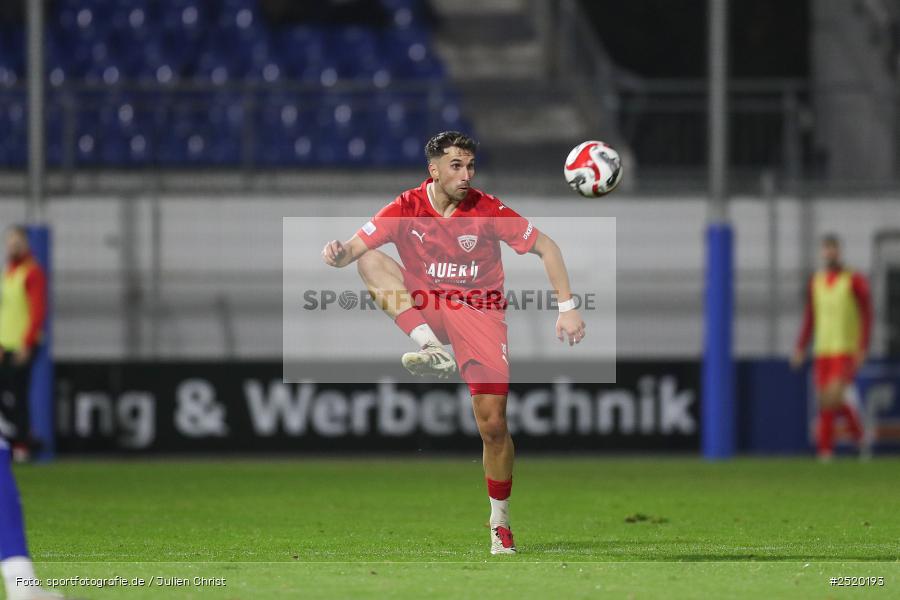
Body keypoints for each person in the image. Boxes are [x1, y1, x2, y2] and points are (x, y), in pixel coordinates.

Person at [321, 131, 585, 554]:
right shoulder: (405, 207)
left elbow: (547, 247)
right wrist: (338, 254)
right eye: (456, 166)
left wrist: (567, 306)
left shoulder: (488, 209)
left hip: (479, 312)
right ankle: (429, 346)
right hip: (428, 307)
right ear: (434, 169)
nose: (466, 174)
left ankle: (500, 522)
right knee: (371, 259)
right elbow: (355, 249)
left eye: (470, 166)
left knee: (493, 425)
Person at [791, 233, 872, 460]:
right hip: (822, 349)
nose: (829, 253)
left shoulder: (853, 279)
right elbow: (810, 317)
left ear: (839, 251)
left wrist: (863, 345)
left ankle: (833, 446)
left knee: (834, 395)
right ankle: (833, 449)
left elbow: (867, 313)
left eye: (833, 249)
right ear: (822, 252)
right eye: (826, 249)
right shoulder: (815, 282)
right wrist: (800, 347)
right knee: (826, 400)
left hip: (845, 348)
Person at [0, 226, 47, 463]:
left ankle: (21, 444)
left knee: (19, 394)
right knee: (9, 394)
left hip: (21, 345)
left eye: (17, 241)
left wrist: (26, 343)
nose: (13, 246)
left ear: (26, 244)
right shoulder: (8, 274)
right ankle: (20, 435)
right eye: (10, 242)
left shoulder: (32, 272)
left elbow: (37, 311)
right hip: (4, 344)